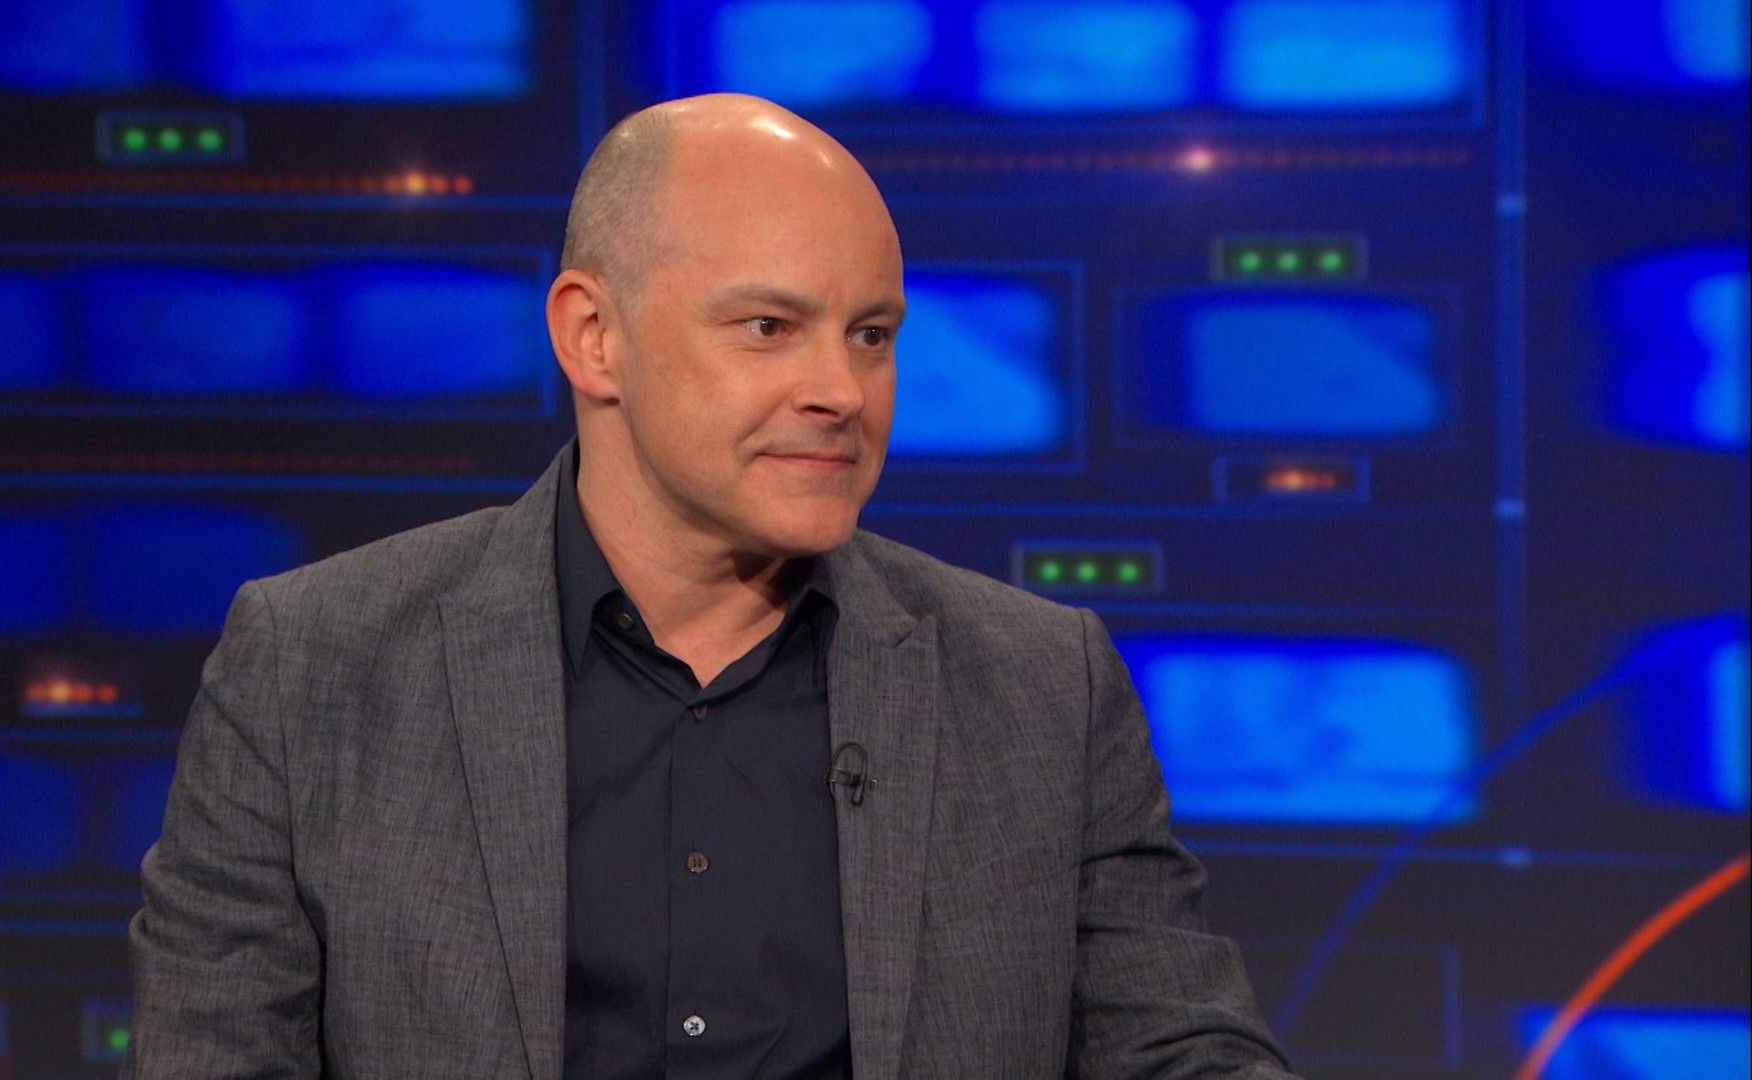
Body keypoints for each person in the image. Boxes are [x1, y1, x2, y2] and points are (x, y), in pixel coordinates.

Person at [124, 93, 1298, 1078]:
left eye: (872, 335)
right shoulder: (311, 668)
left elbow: (1182, 1051)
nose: (841, 390)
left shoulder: (1042, 685)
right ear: (594, 337)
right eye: (770, 326)